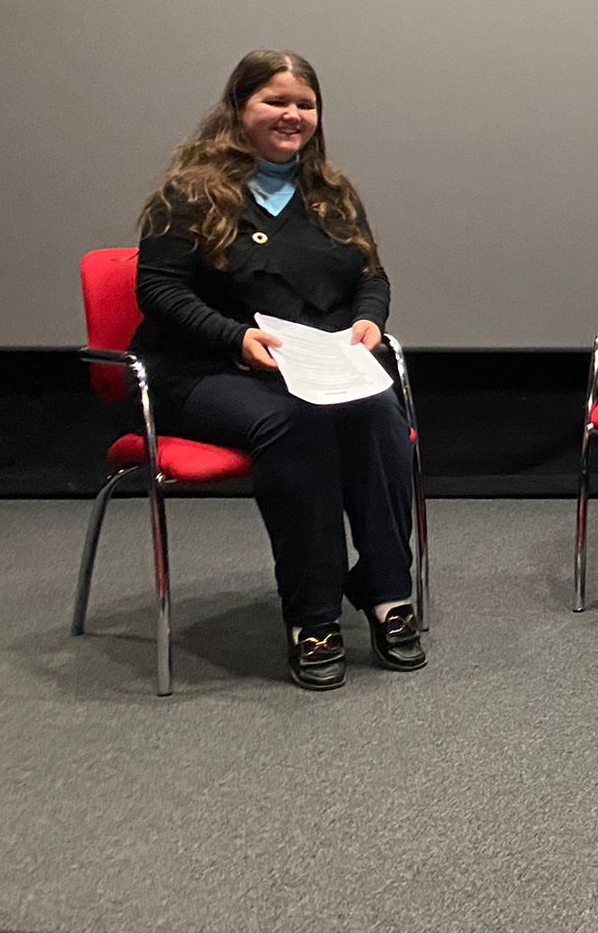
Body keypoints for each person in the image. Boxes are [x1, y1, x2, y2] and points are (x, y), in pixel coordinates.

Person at [132, 50, 422, 691]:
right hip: (206, 371)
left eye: (305, 104)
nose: (292, 115)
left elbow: (370, 275)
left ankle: (385, 587)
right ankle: (313, 616)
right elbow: (159, 291)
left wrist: (368, 321)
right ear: (239, 108)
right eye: (275, 101)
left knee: (380, 410)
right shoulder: (188, 194)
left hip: (313, 369)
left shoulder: (332, 194)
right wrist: (236, 339)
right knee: (297, 426)